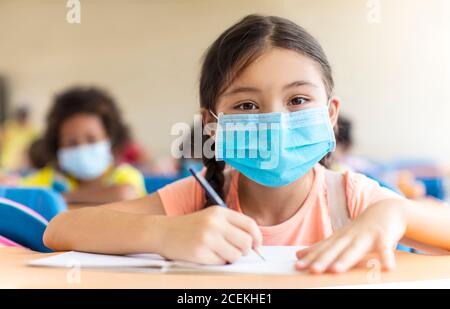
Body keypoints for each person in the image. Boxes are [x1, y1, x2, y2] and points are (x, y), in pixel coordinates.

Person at [44, 15, 450, 274]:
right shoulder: (198, 199)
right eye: (247, 105)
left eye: (297, 100)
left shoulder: (351, 199)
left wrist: (396, 212)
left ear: (329, 114)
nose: (276, 119)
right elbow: (61, 229)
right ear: (212, 125)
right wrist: (165, 233)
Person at [21, 87, 146, 204]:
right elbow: (18, 191)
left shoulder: (125, 175)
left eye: (91, 139)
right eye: (71, 142)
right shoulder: (51, 179)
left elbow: (125, 195)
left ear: (110, 139)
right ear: (57, 146)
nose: (81, 148)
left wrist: (65, 197)